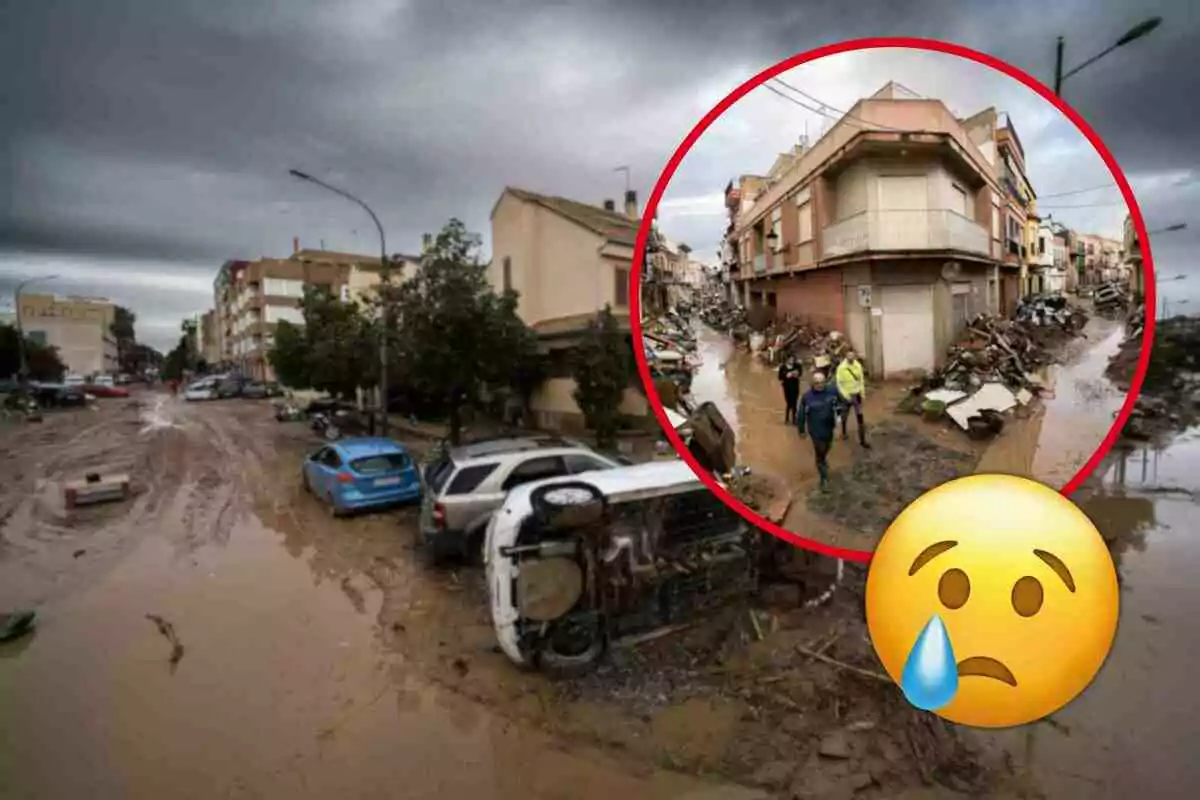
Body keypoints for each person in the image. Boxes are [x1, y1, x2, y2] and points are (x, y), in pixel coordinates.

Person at [796, 371, 841, 491]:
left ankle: (822, 461)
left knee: (827, 447)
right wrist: (801, 430)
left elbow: (839, 404)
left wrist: (839, 417)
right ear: (812, 384)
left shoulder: (832, 391)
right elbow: (801, 415)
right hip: (815, 430)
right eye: (817, 383)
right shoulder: (807, 397)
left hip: (829, 427)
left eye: (822, 382)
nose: (820, 385)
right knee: (820, 452)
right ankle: (823, 479)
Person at [835, 350, 870, 448]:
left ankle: (863, 440)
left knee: (860, 416)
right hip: (846, 396)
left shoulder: (858, 366)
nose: (851, 357)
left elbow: (861, 380)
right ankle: (844, 431)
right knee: (844, 415)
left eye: (852, 355)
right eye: (848, 355)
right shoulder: (841, 368)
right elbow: (839, 384)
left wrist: (862, 394)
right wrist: (846, 396)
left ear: (854, 356)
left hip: (857, 395)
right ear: (846, 356)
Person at [777, 354, 802, 424]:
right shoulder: (782, 367)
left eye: (793, 359)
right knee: (789, 403)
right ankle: (787, 418)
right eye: (790, 359)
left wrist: (796, 374)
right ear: (787, 359)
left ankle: (794, 419)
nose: (792, 361)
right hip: (787, 387)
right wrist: (786, 376)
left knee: (794, 403)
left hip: (795, 387)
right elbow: (779, 377)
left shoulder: (797, 366)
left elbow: (800, 374)